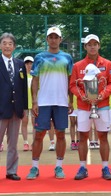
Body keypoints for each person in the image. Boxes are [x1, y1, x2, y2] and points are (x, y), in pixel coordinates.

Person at [26, 26, 73, 180]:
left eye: (56, 37)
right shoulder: (40, 57)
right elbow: (35, 80)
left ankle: (59, 167)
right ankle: (34, 168)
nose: (53, 39)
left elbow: (70, 81)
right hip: (44, 102)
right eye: (50, 37)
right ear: (47, 39)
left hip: (61, 102)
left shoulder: (67, 57)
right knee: (39, 135)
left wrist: (70, 101)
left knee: (60, 134)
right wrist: (34, 101)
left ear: (60, 39)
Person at [70, 34, 111, 180]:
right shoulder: (77, 66)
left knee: (103, 136)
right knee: (83, 136)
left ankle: (105, 167)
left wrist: (102, 95)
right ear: (85, 47)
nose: (92, 46)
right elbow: (72, 85)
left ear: (99, 46)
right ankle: (82, 167)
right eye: (89, 44)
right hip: (84, 106)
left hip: (102, 105)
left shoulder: (107, 64)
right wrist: (82, 95)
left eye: (95, 44)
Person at [0, 33, 28, 180]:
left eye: (10, 43)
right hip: (1, 109)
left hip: (16, 109)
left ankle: (11, 171)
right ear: (0, 46)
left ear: (14, 46)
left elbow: (23, 88)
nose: (7, 46)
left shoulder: (20, 64)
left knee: (13, 143)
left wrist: (24, 107)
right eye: (4, 43)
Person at [21, 56, 35, 151]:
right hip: (24, 104)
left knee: (35, 123)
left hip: (34, 104)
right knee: (24, 122)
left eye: (30, 63)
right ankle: (26, 142)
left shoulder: (36, 75)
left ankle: (34, 143)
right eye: (27, 63)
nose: (29, 65)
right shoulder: (21, 76)